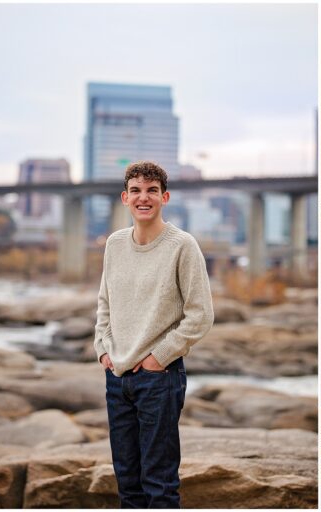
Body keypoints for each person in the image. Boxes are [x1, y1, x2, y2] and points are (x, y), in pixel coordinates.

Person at [94, 161, 215, 508]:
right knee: (127, 481)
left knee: (159, 483)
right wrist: (103, 349)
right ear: (124, 197)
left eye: (151, 191)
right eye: (136, 190)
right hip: (117, 377)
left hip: (159, 379)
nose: (142, 198)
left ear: (165, 197)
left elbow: (201, 314)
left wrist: (157, 358)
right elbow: (105, 303)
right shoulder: (115, 244)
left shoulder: (182, 246)